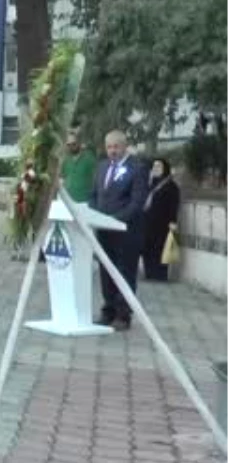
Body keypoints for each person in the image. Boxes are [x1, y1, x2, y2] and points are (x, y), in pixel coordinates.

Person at [90, 130, 149, 331]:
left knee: (125, 273)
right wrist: (93, 216)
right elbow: (94, 195)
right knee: (106, 272)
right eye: (109, 147)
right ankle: (109, 311)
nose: (112, 151)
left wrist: (115, 220)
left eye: (116, 146)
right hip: (104, 232)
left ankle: (123, 315)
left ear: (125, 146)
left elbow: (137, 202)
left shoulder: (137, 168)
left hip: (126, 233)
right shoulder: (102, 167)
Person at [141, 158, 180, 282]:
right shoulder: (151, 184)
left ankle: (160, 275)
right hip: (148, 224)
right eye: (154, 167)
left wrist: (173, 222)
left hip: (162, 225)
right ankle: (149, 273)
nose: (156, 169)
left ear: (165, 169)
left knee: (161, 249)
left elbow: (174, 205)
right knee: (148, 249)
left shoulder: (171, 186)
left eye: (159, 167)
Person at [60, 130, 96, 202]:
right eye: (68, 145)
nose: (71, 147)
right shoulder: (66, 160)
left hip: (85, 202)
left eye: (74, 144)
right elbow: (62, 178)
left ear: (79, 142)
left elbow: (97, 179)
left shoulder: (89, 158)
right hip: (69, 202)